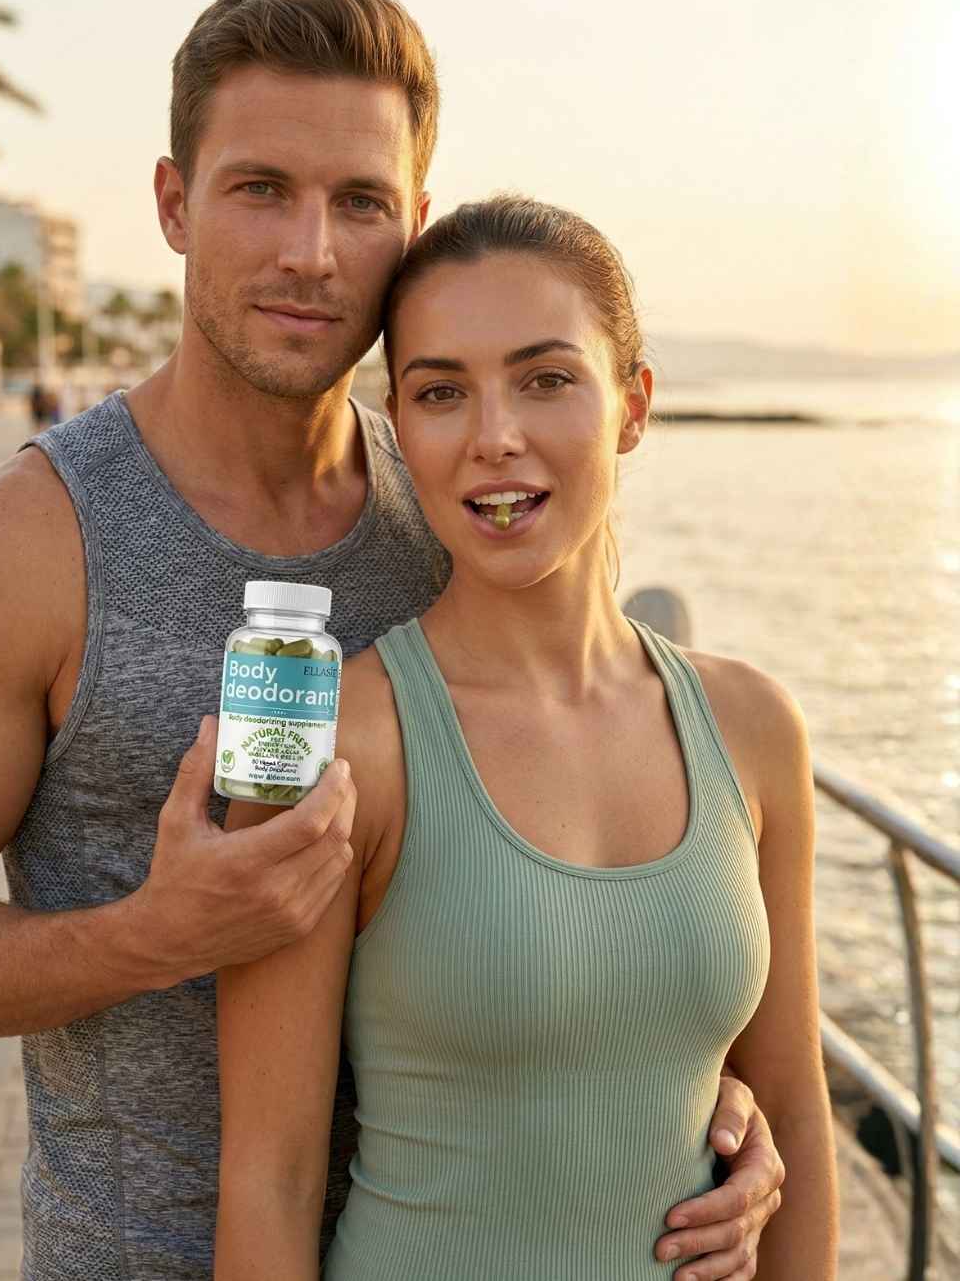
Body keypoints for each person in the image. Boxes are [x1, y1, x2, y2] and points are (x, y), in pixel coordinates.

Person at [0, 0, 783, 1278]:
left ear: (411, 222)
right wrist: (150, 935)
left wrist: (702, 1091)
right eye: (260, 189)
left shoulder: (461, 510)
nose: (312, 249)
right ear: (174, 204)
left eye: (359, 201)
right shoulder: (22, 548)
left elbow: (613, 835)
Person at [215, 196, 837, 1280]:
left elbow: (790, 1103)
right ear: (400, 427)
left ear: (632, 407)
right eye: (442, 392)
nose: (494, 435)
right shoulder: (339, 738)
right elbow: (271, 1176)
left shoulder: (752, 729)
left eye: (547, 379)